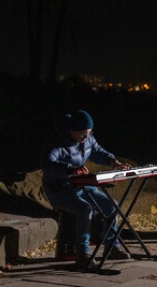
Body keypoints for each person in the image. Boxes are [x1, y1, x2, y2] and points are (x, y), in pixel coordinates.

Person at [41, 109, 131, 267]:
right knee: (85, 209)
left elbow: (98, 151)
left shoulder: (87, 140)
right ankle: (82, 254)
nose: (86, 137)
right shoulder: (55, 144)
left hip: (83, 187)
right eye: (83, 133)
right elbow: (47, 164)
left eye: (89, 133)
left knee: (112, 205)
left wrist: (113, 161)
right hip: (60, 190)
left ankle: (112, 247)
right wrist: (69, 170)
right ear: (71, 130)